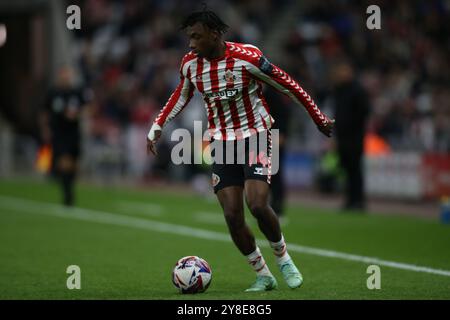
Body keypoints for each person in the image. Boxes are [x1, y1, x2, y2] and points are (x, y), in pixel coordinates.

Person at [146, 10, 334, 292]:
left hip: (255, 135)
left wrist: (318, 117)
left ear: (214, 33)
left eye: (196, 37)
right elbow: (181, 95)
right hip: (221, 143)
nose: (191, 44)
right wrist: (158, 125)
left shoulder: (247, 58)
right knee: (232, 215)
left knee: (257, 204)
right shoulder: (190, 65)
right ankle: (263, 274)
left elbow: (287, 84)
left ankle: (284, 259)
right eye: (189, 38)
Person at [40, 66, 90, 206]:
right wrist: (45, 129)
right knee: (64, 160)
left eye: (68, 74)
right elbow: (45, 112)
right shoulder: (53, 92)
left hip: (74, 133)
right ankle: (68, 193)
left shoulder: (77, 92)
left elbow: (88, 107)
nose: (66, 77)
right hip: (59, 133)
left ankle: (67, 184)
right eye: (63, 74)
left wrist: (77, 114)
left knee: (73, 163)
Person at [331, 60, 370, 211]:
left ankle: (358, 201)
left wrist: (350, 124)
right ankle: (350, 200)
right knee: (347, 169)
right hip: (342, 137)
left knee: (355, 169)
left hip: (354, 137)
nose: (341, 74)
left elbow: (364, 112)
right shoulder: (339, 90)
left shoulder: (358, 90)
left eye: (344, 71)